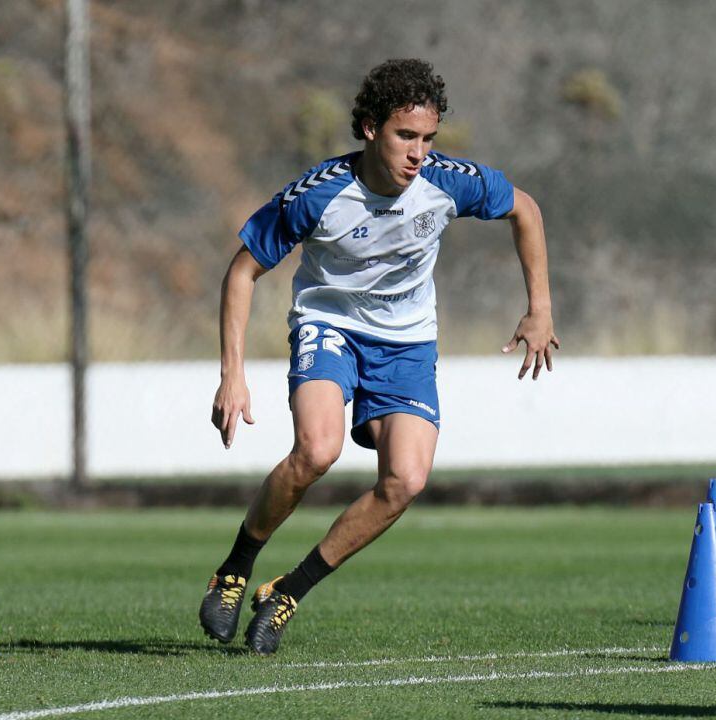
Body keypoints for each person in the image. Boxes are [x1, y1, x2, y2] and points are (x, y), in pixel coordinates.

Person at [200, 58, 559, 655]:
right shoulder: (319, 194)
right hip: (330, 325)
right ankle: (235, 569)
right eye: (405, 136)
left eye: (428, 139)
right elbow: (242, 272)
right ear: (369, 128)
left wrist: (540, 308)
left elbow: (526, 208)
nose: (419, 153)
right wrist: (232, 376)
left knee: (406, 480)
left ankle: (286, 593)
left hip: (408, 342)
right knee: (318, 449)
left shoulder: (447, 181)